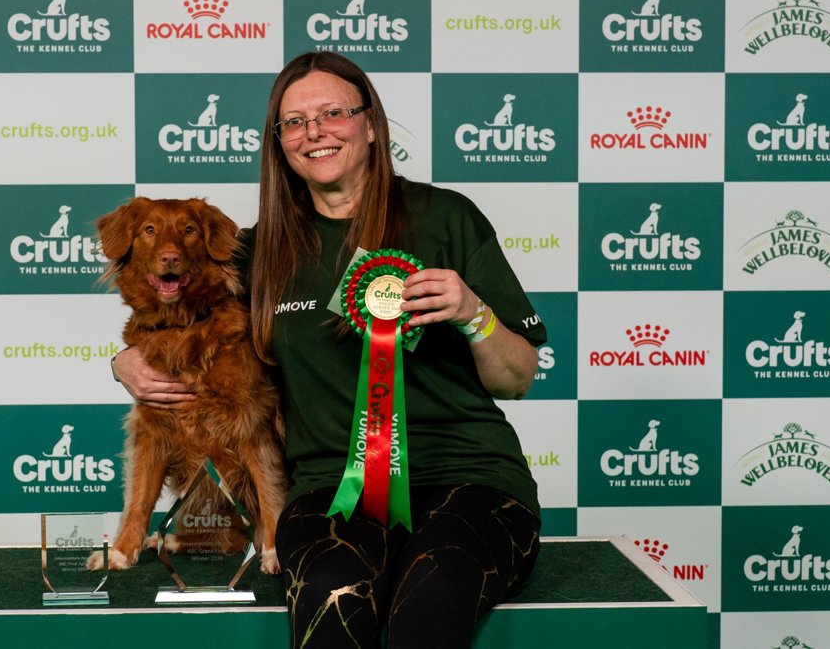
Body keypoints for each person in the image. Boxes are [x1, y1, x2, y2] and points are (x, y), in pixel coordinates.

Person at [113, 52, 546, 648]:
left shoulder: (446, 216)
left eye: (333, 113)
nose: (314, 132)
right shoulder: (255, 252)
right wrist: (124, 362)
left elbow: (517, 378)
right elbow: (166, 307)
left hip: (471, 476)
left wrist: (474, 312)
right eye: (294, 122)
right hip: (328, 489)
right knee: (332, 594)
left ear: (370, 125)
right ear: (280, 144)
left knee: (434, 591)